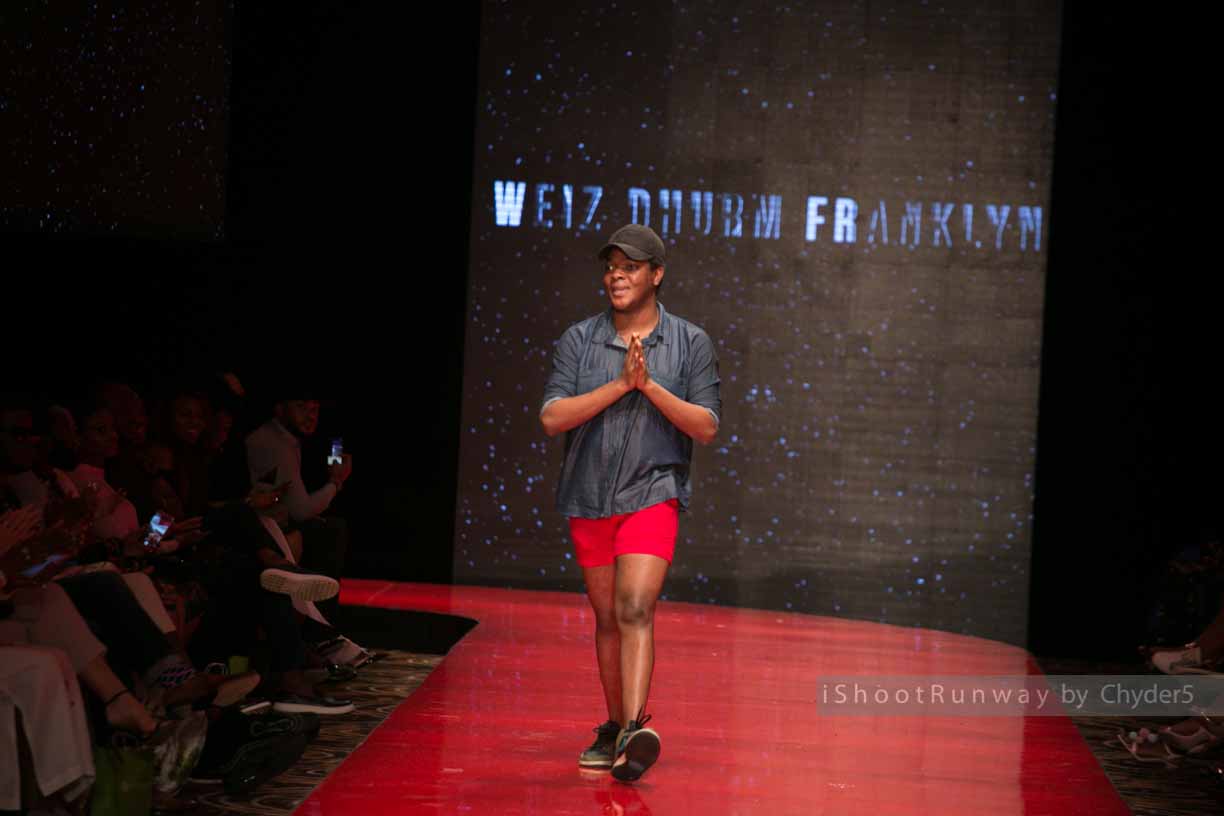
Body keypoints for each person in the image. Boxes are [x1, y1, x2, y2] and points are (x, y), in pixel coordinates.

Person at [539, 224, 721, 781]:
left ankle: (633, 732)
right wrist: (620, 385)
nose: (616, 276)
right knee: (608, 618)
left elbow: (706, 425)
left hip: (652, 491)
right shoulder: (579, 339)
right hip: (588, 495)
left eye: (630, 267)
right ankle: (615, 725)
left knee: (635, 608)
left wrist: (649, 386)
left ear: (656, 275)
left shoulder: (690, 342)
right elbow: (552, 417)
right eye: (611, 267)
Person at [246, 388, 352, 621]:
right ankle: (319, 628)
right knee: (329, 531)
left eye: (314, 409)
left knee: (329, 527)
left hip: (276, 520)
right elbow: (300, 510)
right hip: (261, 526)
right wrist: (336, 482)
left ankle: (318, 626)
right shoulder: (273, 443)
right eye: (301, 407)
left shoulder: (294, 439)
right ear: (280, 408)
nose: (310, 415)